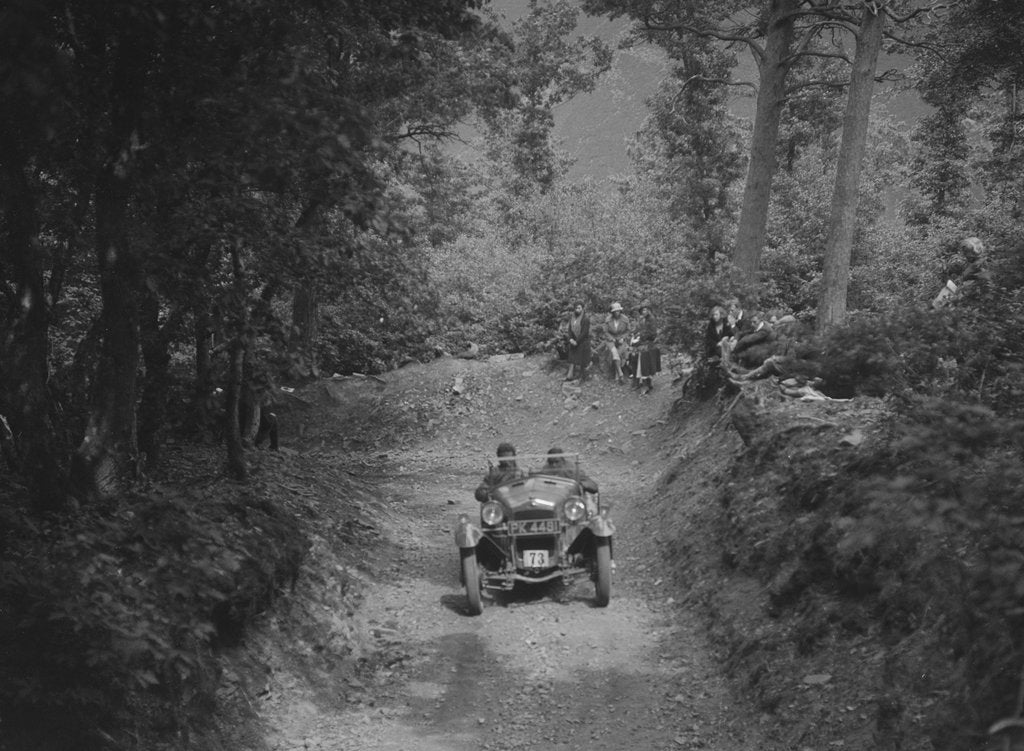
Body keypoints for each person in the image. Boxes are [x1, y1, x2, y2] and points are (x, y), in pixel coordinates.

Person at [534, 447, 599, 494]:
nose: (554, 465)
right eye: (551, 462)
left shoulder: (572, 469)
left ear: (563, 461)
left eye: (557, 462)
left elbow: (593, 486)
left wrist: (580, 484)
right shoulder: (546, 469)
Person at [629, 301, 661, 395]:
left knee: (644, 359)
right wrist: (635, 334)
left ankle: (646, 384)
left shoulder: (652, 319)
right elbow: (638, 329)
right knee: (633, 356)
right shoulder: (642, 319)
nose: (644, 311)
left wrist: (641, 337)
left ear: (649, 310)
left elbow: (652, 334)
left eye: (646, 310)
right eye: (643, 310)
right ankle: (637, 380)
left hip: (650, 343)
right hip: (643, 342)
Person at [604, 302, 631, 383]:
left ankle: (617, 374)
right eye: (615, 311)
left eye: (618, 311)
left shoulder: (625, 319)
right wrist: (611, 338)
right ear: (612, 312)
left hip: (621, 338)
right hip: (611, 339)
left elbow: (628, 331)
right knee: (614, 352)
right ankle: (620, 373)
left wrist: (623, 338)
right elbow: (606, 331)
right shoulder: (608, 319)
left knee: (620, 352)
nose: (617, 313)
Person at [564, 301, 592, 382]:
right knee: (572, 353)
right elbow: (569, 330)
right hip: (574, 340)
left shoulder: (585, 319)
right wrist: (570, 339)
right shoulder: (572, 318)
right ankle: (570, 375)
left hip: (583, 341)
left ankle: (581, 376)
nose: (577, 310)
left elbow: (584, 332)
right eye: (576, 308)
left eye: (579, 308)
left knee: (581, 356)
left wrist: (577, 341)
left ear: (582, 309)